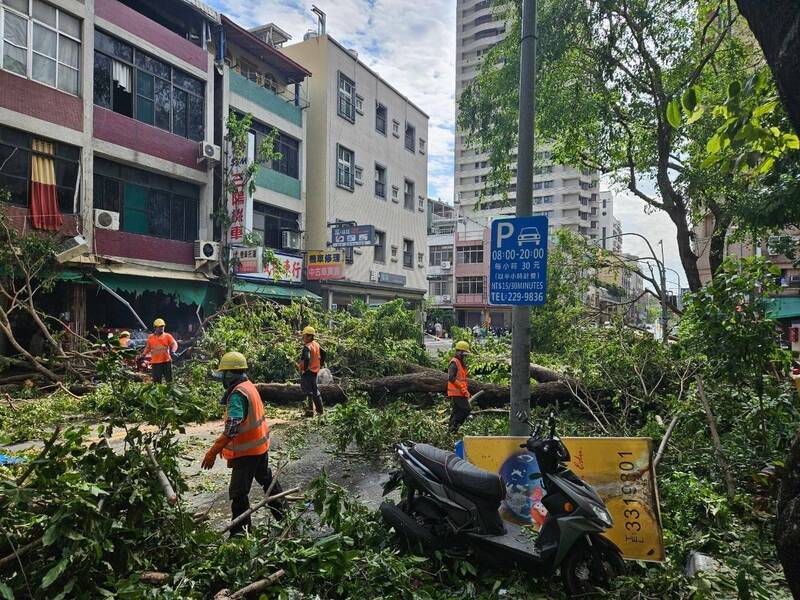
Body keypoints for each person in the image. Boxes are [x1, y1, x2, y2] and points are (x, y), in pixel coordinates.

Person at [201, 352, 283, 535]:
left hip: (248, 452)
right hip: (260, 446)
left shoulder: (238, 395)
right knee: (267, 480)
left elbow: (232, 429)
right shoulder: (248, 385)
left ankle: (240, 534)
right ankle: (284, 516)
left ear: (230, 374)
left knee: (238, 492)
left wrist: (212, 452)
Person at [297, 325, 326, 417]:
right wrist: (320, 364)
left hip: (308, 371)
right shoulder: (316, 344)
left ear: (309, 336)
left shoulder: (307, 347)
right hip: (314, 371)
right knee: (315, 390)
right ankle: (320, 411)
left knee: (308, 391)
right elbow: (324, 353)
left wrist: (304, 369)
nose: (303, 338)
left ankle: (310, 412)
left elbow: (307, 358)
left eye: (304, 336)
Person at [142, 318, 178, 383]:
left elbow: (174, 344)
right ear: (155, 327)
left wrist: (173, 351)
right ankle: (158, 393)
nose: (162, 328)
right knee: (156, 382)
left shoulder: (167, 336)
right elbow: (148, 347)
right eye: (160, 327)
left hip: (166, 362)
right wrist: (143, 355)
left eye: (162, 326)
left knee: (169, 380)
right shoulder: (151, 337)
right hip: (155, 363)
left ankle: (170, 392)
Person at [447, 340, 472, 433]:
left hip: (460, 392)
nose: (465, 356)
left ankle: (451, 430)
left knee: (456, 411)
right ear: (459, 352)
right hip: (457, 392)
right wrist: (462, 388)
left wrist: (465, 389)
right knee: (466, 409)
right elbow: (451, 378)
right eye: (464, 354)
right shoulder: (454, 362)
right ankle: (454, 428)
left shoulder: (460, 362)